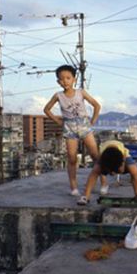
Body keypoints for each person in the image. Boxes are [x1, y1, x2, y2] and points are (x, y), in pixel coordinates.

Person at [44, 64, 108, 197]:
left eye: (68, 78)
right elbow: (46, 109)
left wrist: (93, 121)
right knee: (72, 158)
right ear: (58, 81)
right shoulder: (58, 95)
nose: (65, 81)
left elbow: (96, 105)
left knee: (95, 155)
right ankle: (73, 187)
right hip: (69, 128)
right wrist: (58, 122)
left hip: (84, 126)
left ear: (74, 79)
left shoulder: (81, 92)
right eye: (61, 79)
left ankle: (103, 181)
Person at [77, 140, 137, 205]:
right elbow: (92, 177)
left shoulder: (125, 157)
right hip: (105, 155)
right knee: (95, 172)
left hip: (120, 154)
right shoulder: (102, 159)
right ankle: (86, 196)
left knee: (134, 171)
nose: (113, 174)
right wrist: (85, 197)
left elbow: (136, 175)